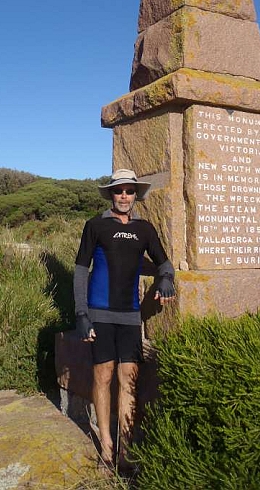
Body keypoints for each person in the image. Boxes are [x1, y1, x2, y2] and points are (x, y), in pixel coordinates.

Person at [73, 168, 175, 471]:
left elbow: (163, 261)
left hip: (130, 315)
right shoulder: (95, 226)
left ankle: (126, 451)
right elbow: (80, 270)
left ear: (136, 195)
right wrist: (81, 313)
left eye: (130, 191)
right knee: (102, 377)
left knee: (129, 381)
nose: (124, 196)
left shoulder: (145, 229)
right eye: (119, 191)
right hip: (99, 313)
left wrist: (166, 278)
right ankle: (106, 443)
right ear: (111, 194)